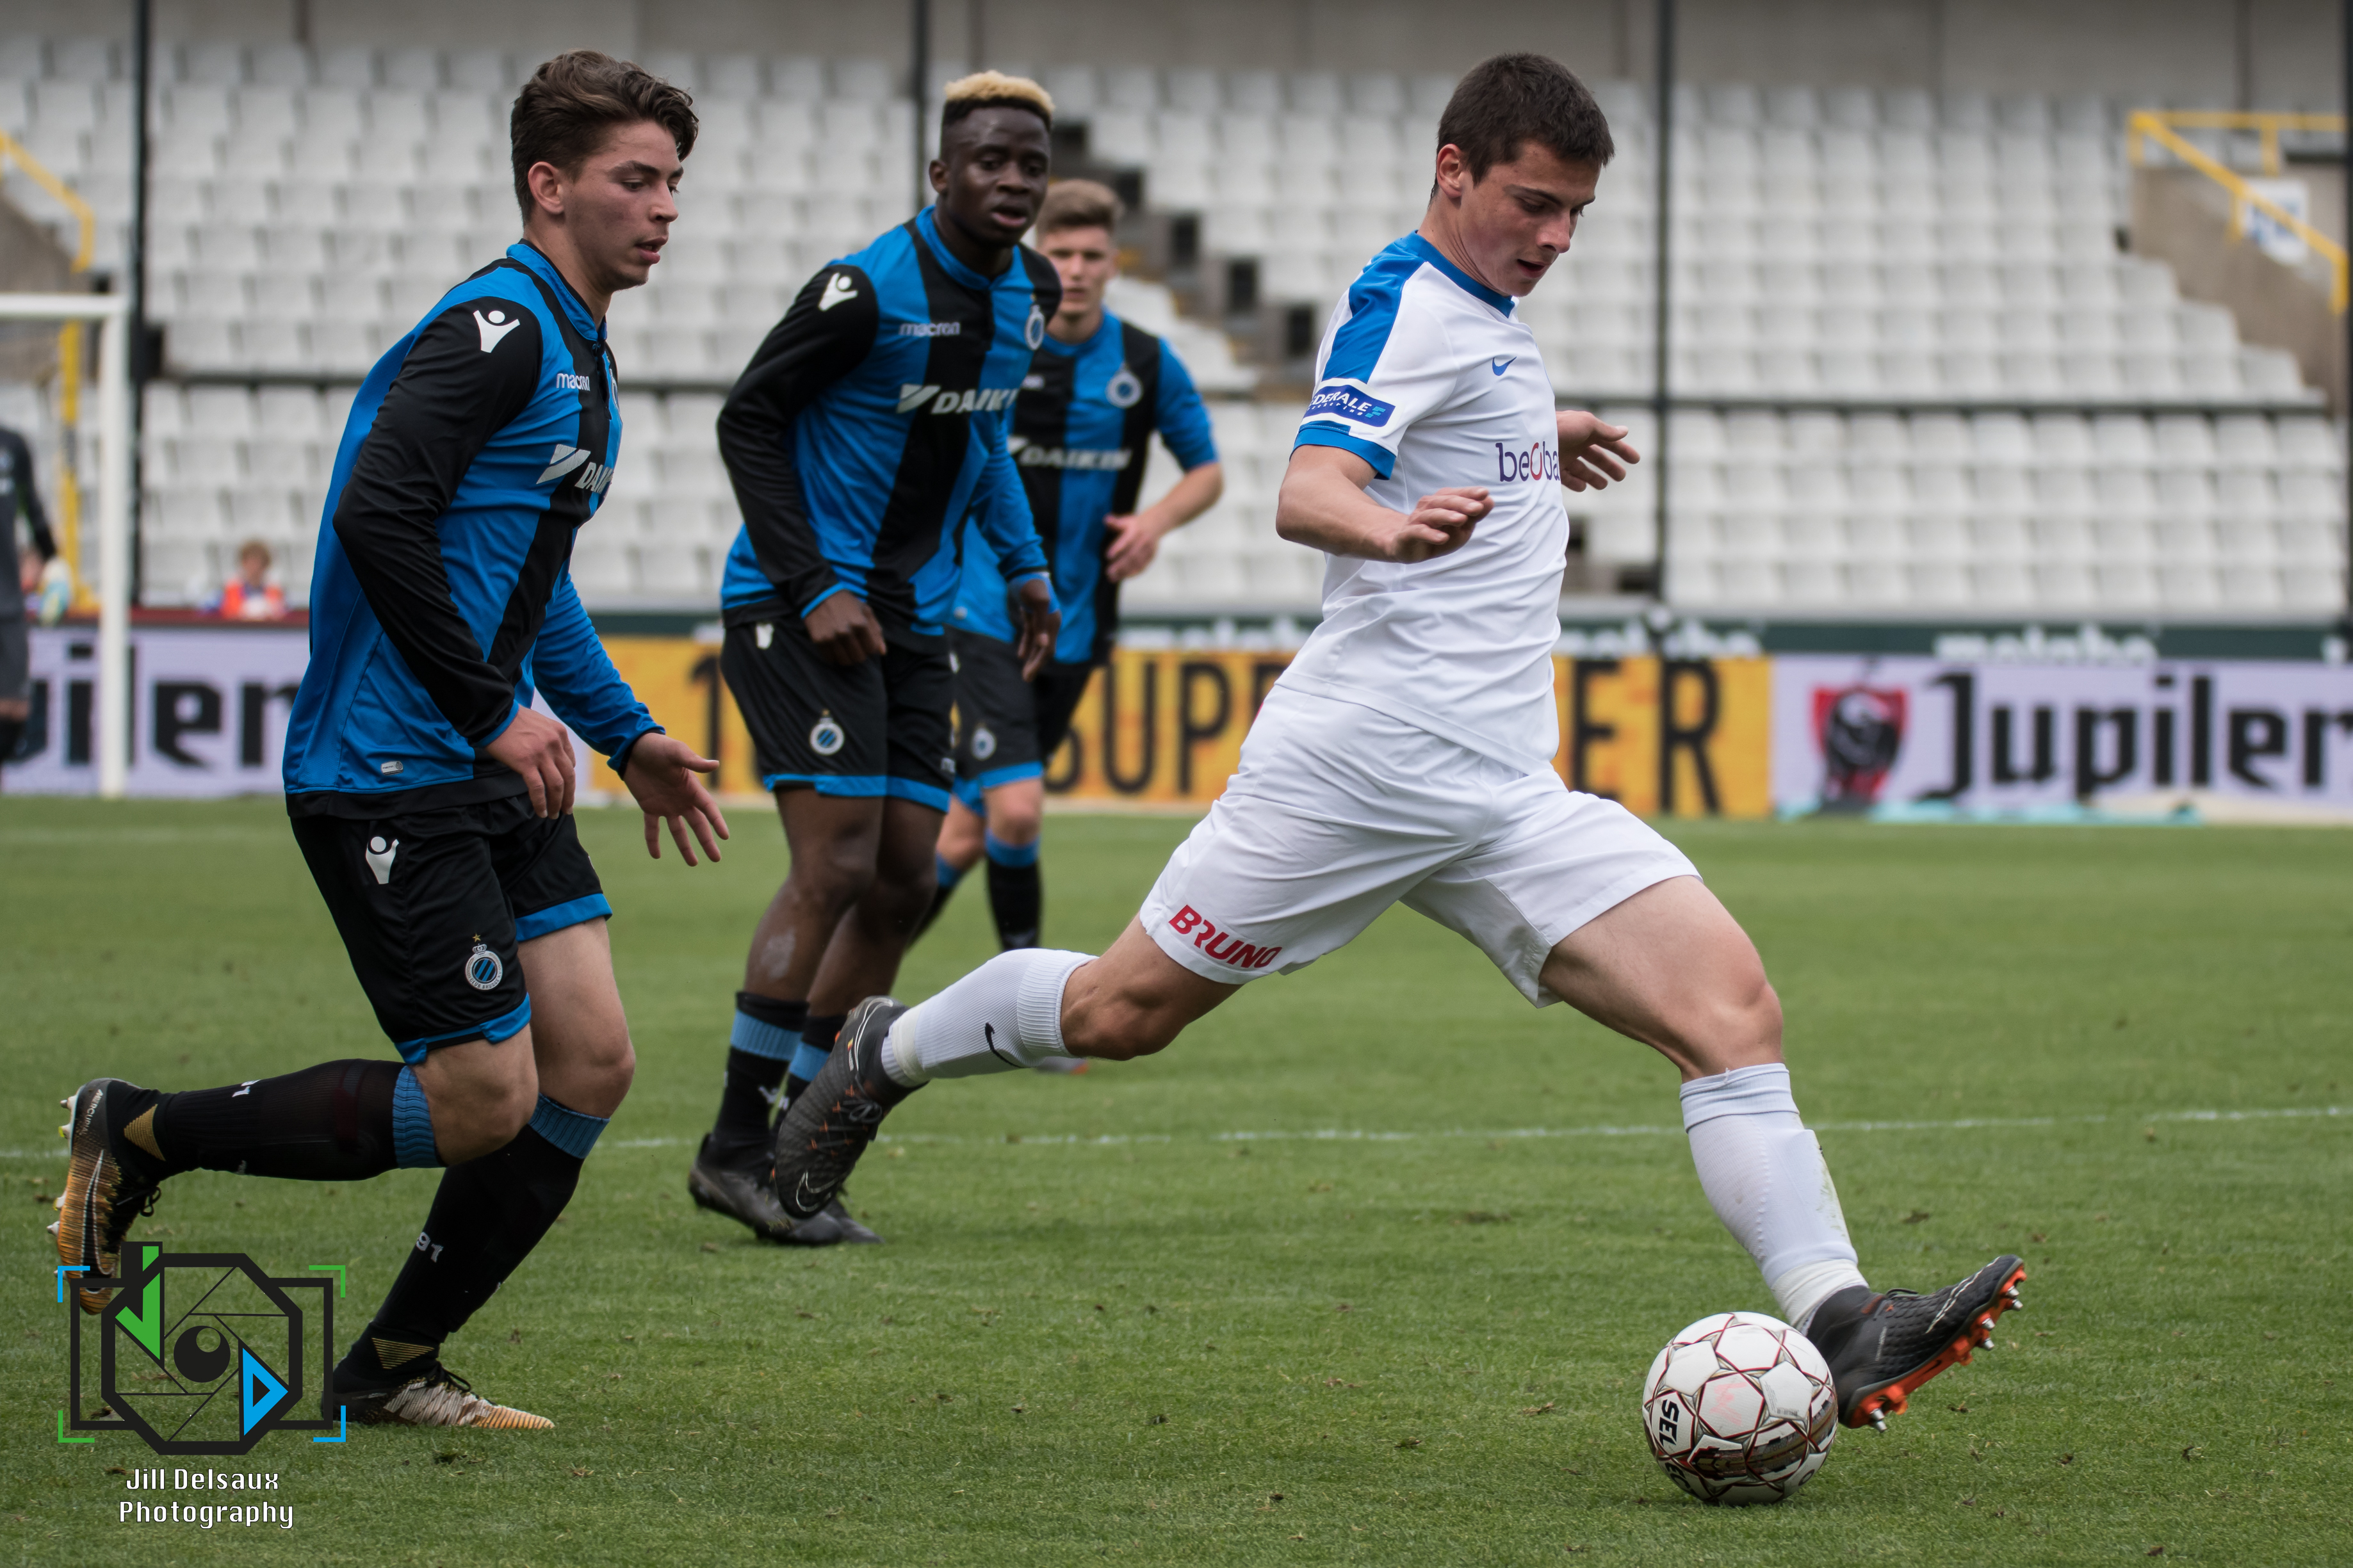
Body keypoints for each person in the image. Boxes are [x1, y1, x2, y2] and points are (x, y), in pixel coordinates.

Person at [771, 53, 2024, 1434]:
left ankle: (1840, 1317)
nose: (1555, 236)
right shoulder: (1410, 303)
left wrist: (1534, 435)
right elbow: (1308, 486)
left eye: (1575, 213)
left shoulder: (1482, 315)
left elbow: (1450, 418)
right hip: (1357, 770)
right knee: (1120, 1014)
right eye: (1533, 203)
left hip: (1500, 790)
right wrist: (1388, 527)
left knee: (1731, 1014)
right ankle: (886, 1049)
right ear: (1453, 171)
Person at [55, 51, 728, 1432]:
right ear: (549, 186)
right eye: (635, 179)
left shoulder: (582, 351)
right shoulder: (497, 327)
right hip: (390, 764)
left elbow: (531, 583)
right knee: (482, 1099)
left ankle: (392, 1364)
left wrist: (627, 733)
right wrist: (489, 709)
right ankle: (140, 1127)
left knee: (591, 1062)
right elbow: (377, 512)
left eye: (674, 182)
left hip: (491, 760)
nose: (665, 207)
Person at [687, 72, 1063, 1246]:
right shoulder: (862, 290)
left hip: (915, 616)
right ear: (940, 173)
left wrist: (1025, 563)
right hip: (798, 607)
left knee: (904, 876)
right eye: (989, 160)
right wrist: (814, 583)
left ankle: (797, 1140)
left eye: (1030, 164)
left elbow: (982, 433)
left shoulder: (1033, 292)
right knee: (839, 859)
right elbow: (747, 419)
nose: (1012, 180)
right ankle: (732, 1146)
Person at [915, 179, 1222, 974]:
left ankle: (845, 988)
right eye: (1060, 253)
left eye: (1091, 255)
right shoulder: (994, 347)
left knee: (965, 830)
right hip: (985, 612)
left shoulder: (1145, 362)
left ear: (1113, 262)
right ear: (1034, 258)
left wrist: (1153, 522)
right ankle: (1027, 1005)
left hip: (1079, 627)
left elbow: (1206, 471)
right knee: (1017, 813)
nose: (1076, 270)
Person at [0, 421, 56, 766]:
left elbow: (32, 508)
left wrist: (47, 558)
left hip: (8, 599)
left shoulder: (12, 446)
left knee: (15, 707)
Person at [208, 537, 288, 619]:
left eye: (258, 562)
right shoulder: (231, 589)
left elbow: (279, 613)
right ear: (243, 563)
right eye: (251, 562)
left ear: (265, 565)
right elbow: (228, 612)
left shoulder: (276, 590)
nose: (255, 567)